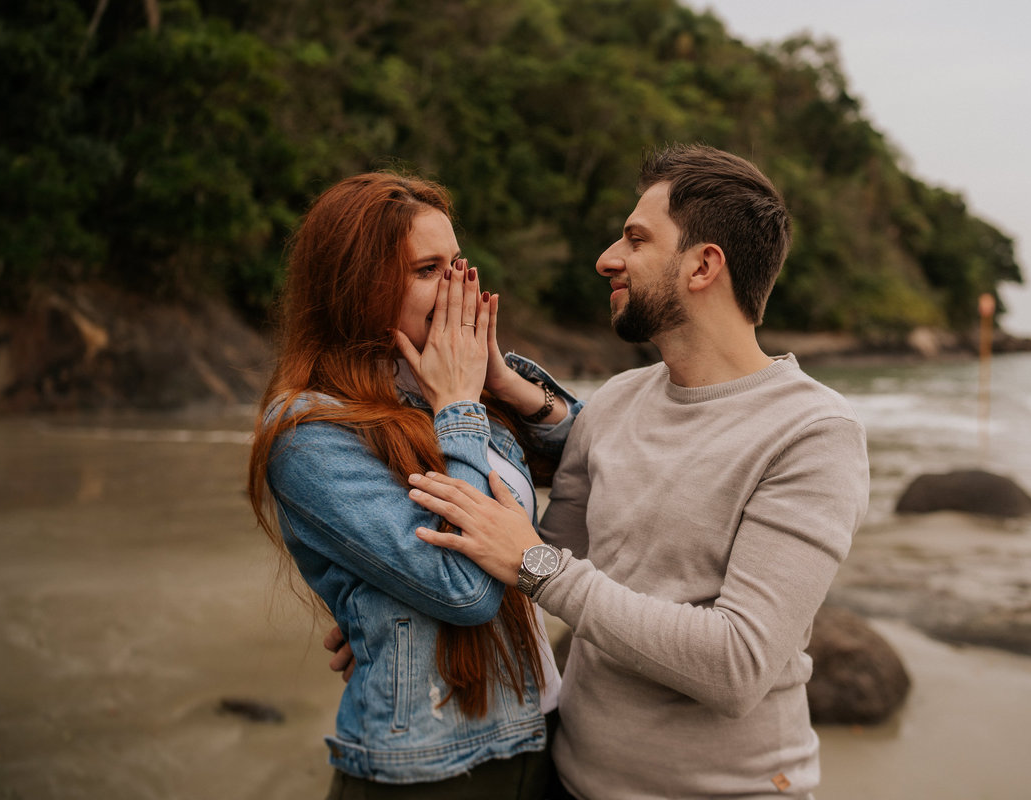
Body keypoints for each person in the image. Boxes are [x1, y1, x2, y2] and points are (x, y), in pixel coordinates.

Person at [402, 145, 870, 799]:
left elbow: (736, 666)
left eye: (635, 239)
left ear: (704, 266)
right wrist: (393, 616)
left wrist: (540, 567)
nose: (606, 259)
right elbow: (516, 568)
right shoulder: (615, 403)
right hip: (568, 778)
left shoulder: (814, 433)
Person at [247, 171, 582, 799]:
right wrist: (458, 404)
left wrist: (504, 385)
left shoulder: (453, 387)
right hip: (430, 765)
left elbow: (597, 463)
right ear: (357, 285)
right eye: (427, 269)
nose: (456, 285)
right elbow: (465, 591)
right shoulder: (309, 430)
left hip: (543, 734)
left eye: (457, 263)